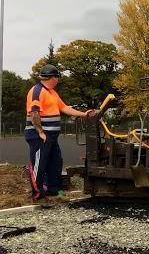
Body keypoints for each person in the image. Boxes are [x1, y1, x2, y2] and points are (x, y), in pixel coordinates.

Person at [25, 64, 96, 202]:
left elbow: (64, 108)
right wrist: (40, 132)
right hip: (39, 135)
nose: (58, 80)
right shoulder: (37, 91)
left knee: (55, 162)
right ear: (52, 78)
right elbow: (34, 113)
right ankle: (38, 195)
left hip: (51, 136)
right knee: (39, 163)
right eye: (57, 77)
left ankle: (53, 190)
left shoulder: (52, 92)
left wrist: (83, 114)